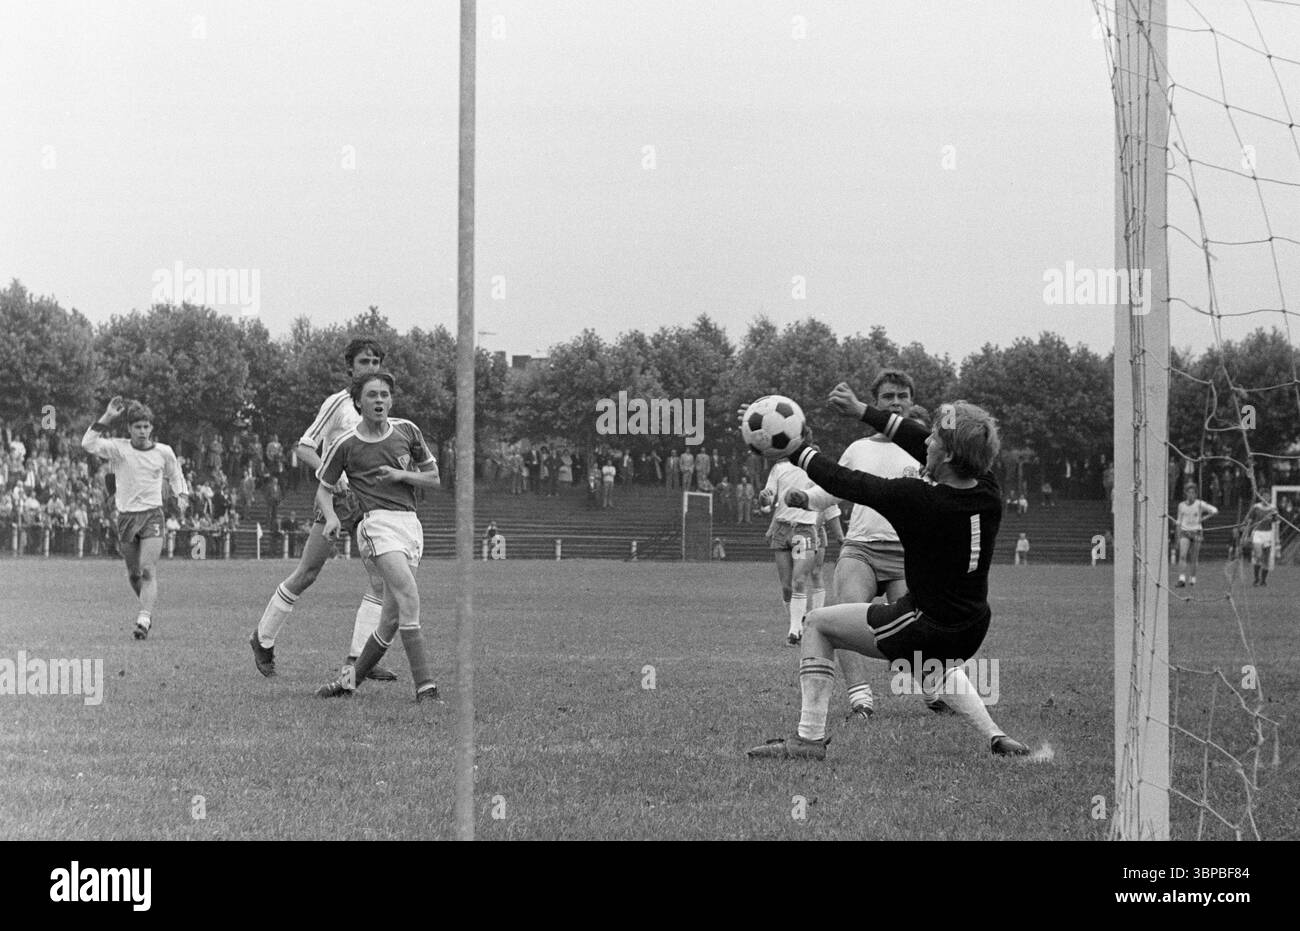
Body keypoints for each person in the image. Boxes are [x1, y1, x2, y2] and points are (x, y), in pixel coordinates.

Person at [747, 383, 1029, 760]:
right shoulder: (988, 488)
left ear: (947, 455)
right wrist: (863, 410)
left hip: (928, 625)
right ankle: (996, 736)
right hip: (971, 624)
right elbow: (915, 439)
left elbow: (847, 482)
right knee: (930, 664)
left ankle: (806, 742)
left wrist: (795, 449)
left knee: (817, 624)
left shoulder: (919, 500)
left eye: (934, 440)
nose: (924, 442)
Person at [249, 338, 397, 681]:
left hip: (371, 501)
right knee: (308, 572)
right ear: (350, 367)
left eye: (376, 361)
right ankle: (263, 637)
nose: (371, 367)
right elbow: (304, 446)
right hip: (339, 498)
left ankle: (360, 660)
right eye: (364, 361)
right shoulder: (339, 403)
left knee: (380, 581)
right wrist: (333, 477)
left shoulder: (378, 404)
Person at [314, 372, 441, 701]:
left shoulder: (408, 430)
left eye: (385, 394)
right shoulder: (346, 444)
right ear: (358, 402)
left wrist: (401, 473)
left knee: (391, 619)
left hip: (410, 525)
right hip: (375, 525)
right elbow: (324, 489)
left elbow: (433, 478)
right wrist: (330, 517)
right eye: (372, 395)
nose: (380, 400)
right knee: (409, 599)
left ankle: (345, 682)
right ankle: (426, 688)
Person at [817, 372, 933, 722]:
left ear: (912, 401)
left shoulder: (929, 448)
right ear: (875, 402)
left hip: (907, 553)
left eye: (902, 395)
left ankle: (932, 691)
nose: (895, 402)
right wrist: (805, 498)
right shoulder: (858, 449)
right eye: (887, 397)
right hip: (862, 548)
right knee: (844, 616)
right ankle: (861, 700)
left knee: (913, 628)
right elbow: (834, 487)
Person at [81, 397, 189, 640]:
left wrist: (181, 495)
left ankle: (144, 616)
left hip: (152, 515)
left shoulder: (164, 452)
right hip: (127, 517)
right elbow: (87, 443)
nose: (142, 431)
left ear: (151, 428)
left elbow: (175, 475)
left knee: (148, 569)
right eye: (137, 426)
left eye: (146, 426)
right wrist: (107, 416)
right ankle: (147, 610)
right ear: (129, 428)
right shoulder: (119, 448)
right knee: (133, 574)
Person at [759, 436, 827, 646]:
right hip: (782, 529)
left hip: (803, 532)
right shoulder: (780, 468)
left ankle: (795, 631)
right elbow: (768, 498)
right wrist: (764, 497)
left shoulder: (815, 467)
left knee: (799, 580)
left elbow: (824, 499)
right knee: (787, 586)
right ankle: (796, 621)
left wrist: (817, 524)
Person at [1174, 481, 1218, 587]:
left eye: (1193, 493)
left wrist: (1203, 518)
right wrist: (1177, 535)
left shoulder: (1199, 504)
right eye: (1189, 492)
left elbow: (1214, 511)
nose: (1191, 495)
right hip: (1185, 532)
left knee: (1194, 557)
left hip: (1196, 532)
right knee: (1183, 555)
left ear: (1196, 494)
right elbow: (1179, 521)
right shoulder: (1181, 505)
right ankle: (1182, 579)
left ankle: (1192, 578)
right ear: (1186, 493)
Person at [1242, 499, 1278, 587]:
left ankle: (1263, 581)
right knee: (1258, 556)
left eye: (1267, 496)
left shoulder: (1272, 507)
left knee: (1266, 559)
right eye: (1264, 496)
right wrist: (1246, 532)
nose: (1266, 498)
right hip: (1257, 533)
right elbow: (1249, 520)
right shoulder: (1256, 507)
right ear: (1261, 497)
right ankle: (1256, 578)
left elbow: (1275, 521)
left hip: (1268, 534)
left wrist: (1274, 516)